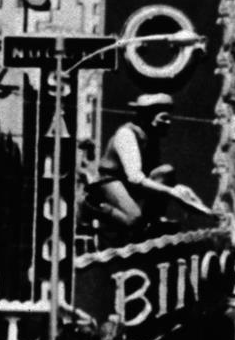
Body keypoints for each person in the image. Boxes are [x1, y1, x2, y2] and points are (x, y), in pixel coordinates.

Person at [82, 93, 212, 241]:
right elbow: (135, 177)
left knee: (166, 171)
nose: (168, 123)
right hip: (109, 181)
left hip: (130, 183)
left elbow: (153, 174)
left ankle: (152, 221)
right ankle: (93, 206)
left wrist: (183, 193)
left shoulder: (151, 137)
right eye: (163, 117)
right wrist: (172, 192)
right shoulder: (126, 134)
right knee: (134, 219)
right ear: (148, 117)